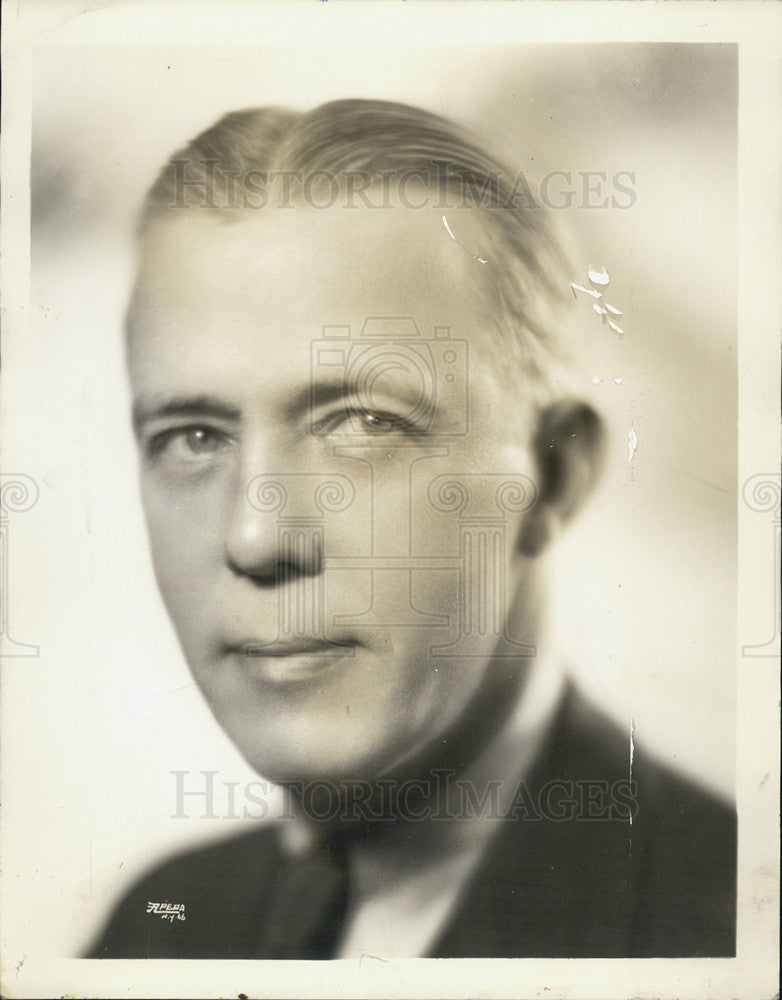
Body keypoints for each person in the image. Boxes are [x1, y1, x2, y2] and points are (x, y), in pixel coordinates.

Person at [87, 99, 736, 959]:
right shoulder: (161, 923)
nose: (255, 538)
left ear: (552, 476)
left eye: (364, 423)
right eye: (192, 438)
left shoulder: (731, 919)